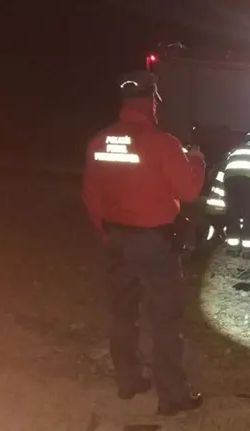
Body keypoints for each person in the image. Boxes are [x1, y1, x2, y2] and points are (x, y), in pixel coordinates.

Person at [81, 70, 206, 416]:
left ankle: (129, 380)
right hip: (155, 244)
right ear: (152, 102)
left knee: (123, 314)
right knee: (165, 318)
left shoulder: (99, 141)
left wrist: (107, 234)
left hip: (117, 240)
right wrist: (197, 160)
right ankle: (172, 396)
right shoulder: (164, 143)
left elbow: (91, 196)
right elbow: (189, 191)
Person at [206, 132, 250, 257]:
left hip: (230, 178)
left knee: (233, 212)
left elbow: (222, 164)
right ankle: (249, 250)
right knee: (248, 212)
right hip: (248, 178)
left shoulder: (235, 149)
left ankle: (232, 248)